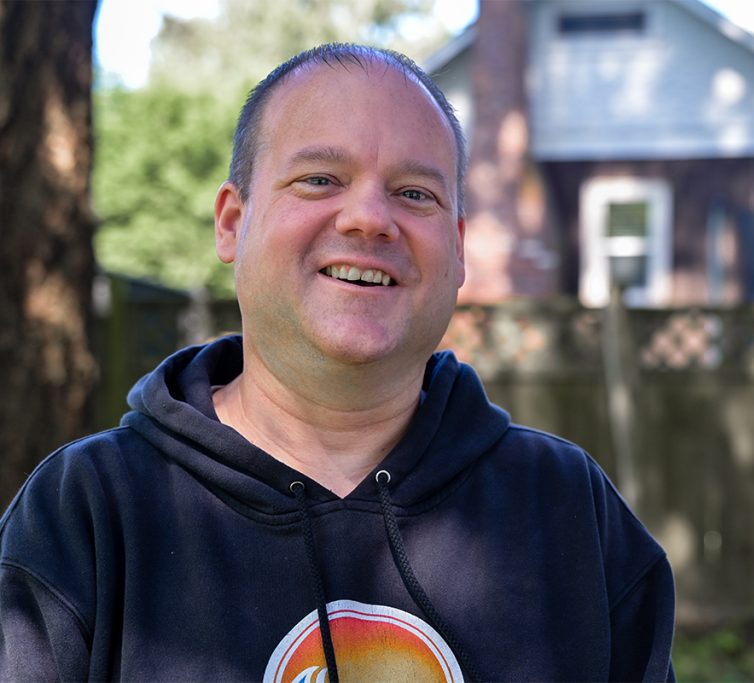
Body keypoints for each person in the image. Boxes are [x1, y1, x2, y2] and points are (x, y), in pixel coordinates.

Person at [0, 44, 675, 681]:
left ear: (459, 248)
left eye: (415, 193)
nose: (369, 218)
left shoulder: (568, 510)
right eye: (320, 178)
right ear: (232, 222)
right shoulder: (85, 511)